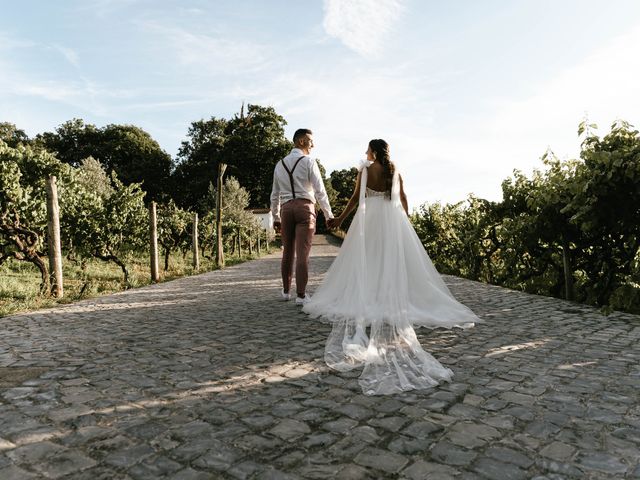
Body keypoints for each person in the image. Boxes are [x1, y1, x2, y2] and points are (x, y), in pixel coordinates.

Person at [304, 139, 480, 395]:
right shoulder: (394, 168)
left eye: (367, 149)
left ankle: (371, 294)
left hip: (370, 218)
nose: (365, 153)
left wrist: (340, 218)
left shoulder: (365, 169)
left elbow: (356, 198)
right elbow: (404, 197)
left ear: (373, 151)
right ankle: (386, 294)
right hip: (391, 216)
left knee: (370, 258)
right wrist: (405, 220)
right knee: (389, 258)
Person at [270, 129, 334, 305]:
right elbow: (320, 192)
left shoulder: (279, 164)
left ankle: (285, 292)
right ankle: (301, 295)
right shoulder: (309, 162)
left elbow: (274, 194)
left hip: (286, 209)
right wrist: (329, 215)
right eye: (310, 141)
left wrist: (276, 217)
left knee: (287, 252)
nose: (313, 144)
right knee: (302, 254)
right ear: (300, 141)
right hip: (305, 209)